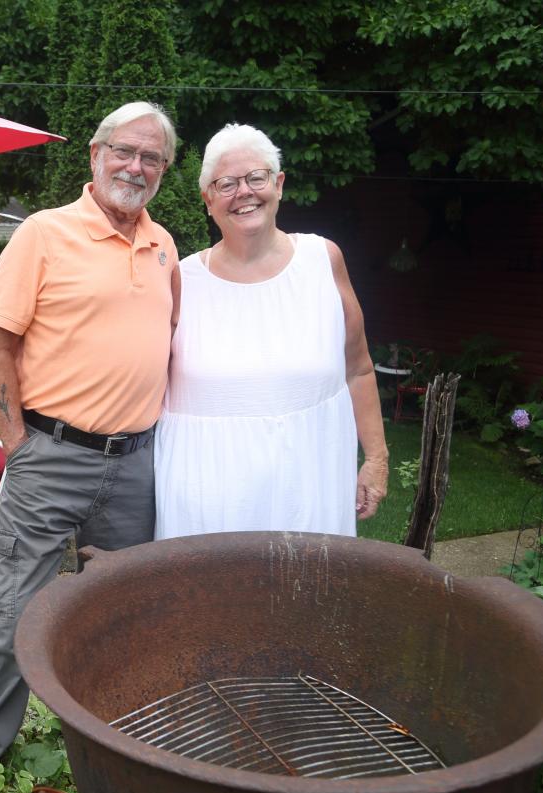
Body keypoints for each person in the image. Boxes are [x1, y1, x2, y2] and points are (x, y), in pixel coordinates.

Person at [0, 101, 180, 788]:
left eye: (151, 158)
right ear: (95, 154)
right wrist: (14, 440)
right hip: (49, 458)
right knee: (19, 616)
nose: (134, 167)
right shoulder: (43, 235)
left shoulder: (164, 245)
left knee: (120, 617)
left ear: (164, 172)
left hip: (134, 464)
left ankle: (113, 756)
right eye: (124, 151)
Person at [154, 123, 388, 539]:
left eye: (256, 178)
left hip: (310, 489)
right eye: (225, 184)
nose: (243, 192)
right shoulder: (181, 278)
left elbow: (359, 369)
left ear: (278, 184)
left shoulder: (323, 259)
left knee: (305, 597)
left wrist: (376, 459)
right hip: (206, 498)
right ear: (207, 200)